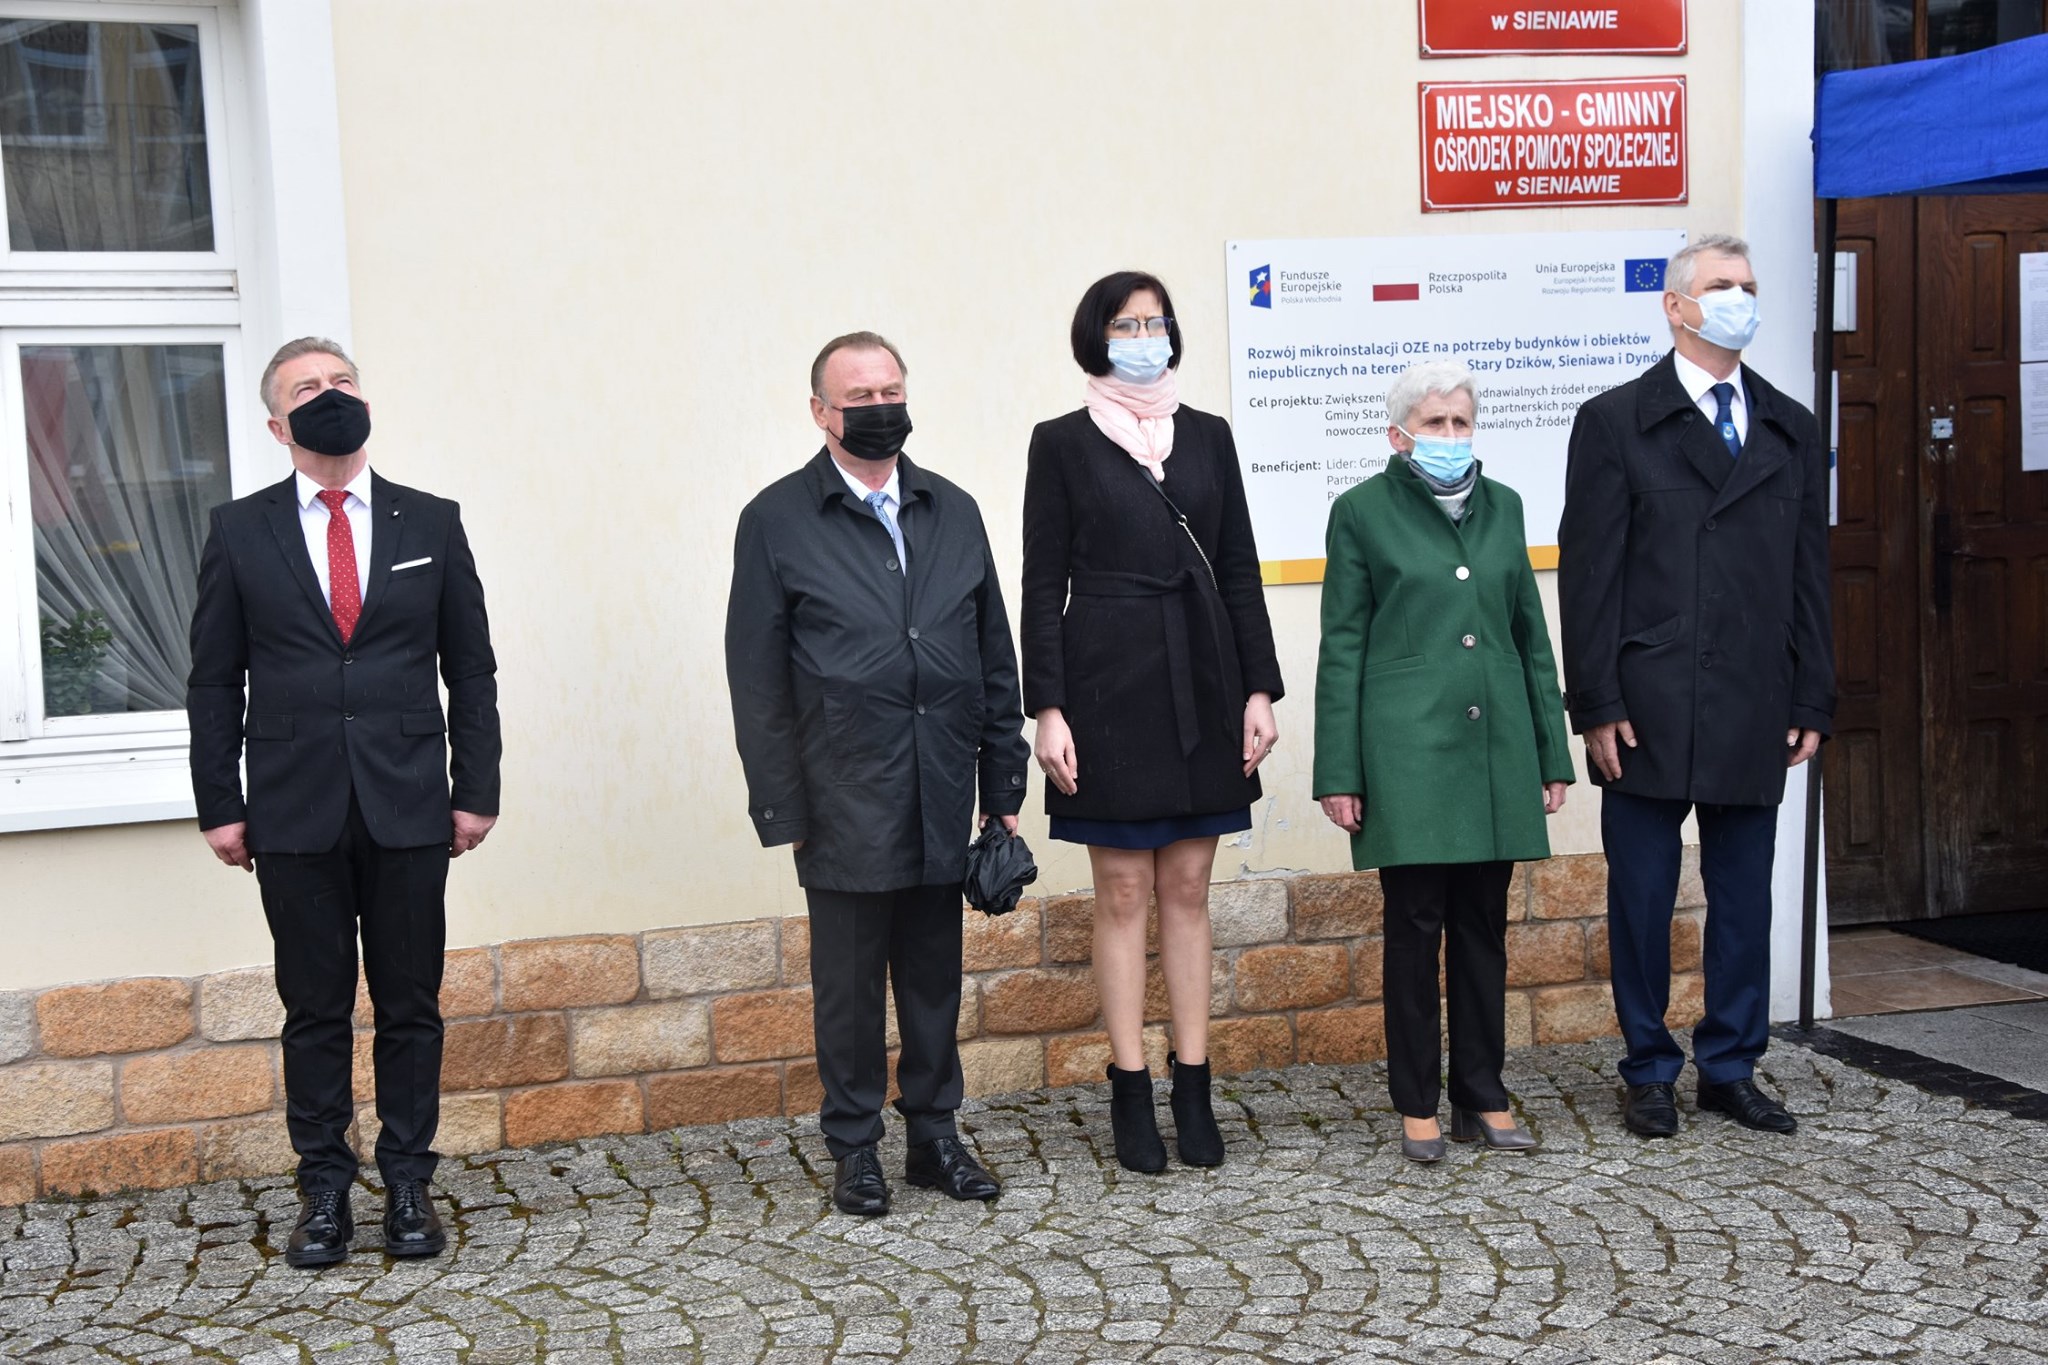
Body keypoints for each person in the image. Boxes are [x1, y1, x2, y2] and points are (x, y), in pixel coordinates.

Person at [187, 338, 501, 1267]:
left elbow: (470, 668)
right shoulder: (239, 531)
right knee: (315, 1009)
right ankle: (323, 1186)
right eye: (307, 389)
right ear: (276, 424)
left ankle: (408, 1181)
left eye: (342, 382)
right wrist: (220, 802)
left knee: (410, 1005)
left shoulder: (431, 521)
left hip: (410, 804)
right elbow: (215, 681)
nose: (330, 397)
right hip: (293, 810)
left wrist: (476, 789)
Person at [725, 331, 1030, 1216]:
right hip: (841, 793)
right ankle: (854, 1146)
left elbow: (993, 655)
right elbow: (757, 680)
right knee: (849, 989)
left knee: (933, 976)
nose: (878, 406)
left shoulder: (953, 510)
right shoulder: (777, 520)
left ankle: (934, 1135)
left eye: (890, 389)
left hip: (941, 785)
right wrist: (784, 808)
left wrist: (1001, 789)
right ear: (820, 412)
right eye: (858, 395)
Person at [1558, 234, 1834, 1139]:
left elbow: (1810, 573)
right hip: (1648, 703)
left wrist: (1812, 695)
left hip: (1755, 697)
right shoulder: (1615, 422)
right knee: (1642, 897)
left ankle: (1731, 1065)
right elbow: (1589, 576)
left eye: (1747, 285)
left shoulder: (1789, 425)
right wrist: (1596, 703)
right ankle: (1648, 1068)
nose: (1738, 298)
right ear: (1676, 306)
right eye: (1720, 285)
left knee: (1744, 898)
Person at [1020, 271, 1283, 1173]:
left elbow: (1239, 566)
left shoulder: (1209, 436)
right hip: (1105, 682)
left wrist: (1258, 689)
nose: (1145, 336)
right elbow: (1040, 582)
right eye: (1126, 324)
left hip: (1205, 675)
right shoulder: (1060, 442)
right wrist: (1047, 708)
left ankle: (1194, 1083)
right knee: (1124, 891)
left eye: (1156, 322)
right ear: (1094, 337)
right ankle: (1130, 1085)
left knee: (1190, 887)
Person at [1312, 360, 1574, 1162]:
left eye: (1461, 421)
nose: (1451, 436)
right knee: (1414, 930)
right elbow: (1342, 646)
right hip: (1408, 761)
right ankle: (1417, 1102)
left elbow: (1530, 637)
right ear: (1400, 435)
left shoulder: (1506, 507)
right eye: (1435, 423)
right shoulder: (1360, 512)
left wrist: (1550, 750)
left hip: (1495, 754)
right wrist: (1339, 771)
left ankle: (1482, 1094)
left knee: (1483, 931)